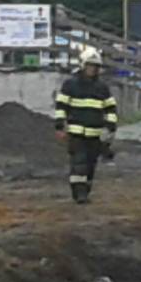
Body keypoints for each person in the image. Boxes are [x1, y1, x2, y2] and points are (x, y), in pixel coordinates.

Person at [54, 48, 118, 204]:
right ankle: (79, 193)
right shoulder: (70, 85)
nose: (93, 69)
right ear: (83, 65)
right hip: (77, 134)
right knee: (79, 163)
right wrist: (59, 126)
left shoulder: (102, 88)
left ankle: (85, 190)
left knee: (90, 165)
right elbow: (61, 106)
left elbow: (111, 108)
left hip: (95, 135)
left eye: (95, 66)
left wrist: (110, 126)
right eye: (90, 66)